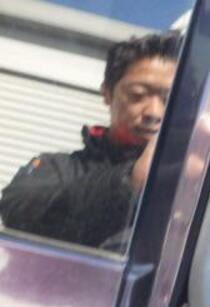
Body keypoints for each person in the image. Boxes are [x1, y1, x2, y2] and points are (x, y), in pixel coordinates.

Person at [0, 31, 181, 249]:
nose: (153, 112)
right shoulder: (57, 167)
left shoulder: (191, 181)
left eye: (169, 99)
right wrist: (129, 181)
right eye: (137, 95)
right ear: (107, 93)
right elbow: (15, 211)